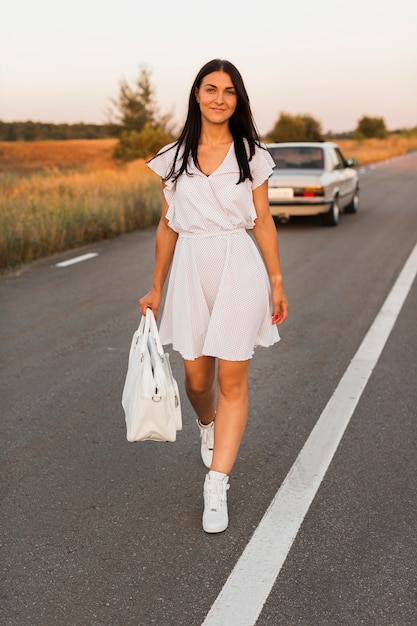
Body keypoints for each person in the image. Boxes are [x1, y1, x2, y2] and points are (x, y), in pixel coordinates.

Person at [139, 59, 288, 533]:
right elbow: (167, 227)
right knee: (198, 381)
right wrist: (156, 286)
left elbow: (262, 220)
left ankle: (216, 484)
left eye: (228, 90)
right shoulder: (174, 156)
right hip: (189, 268)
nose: (219, 97)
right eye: (210, 89)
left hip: (239, 267)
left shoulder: (252, 154)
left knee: (233, 381)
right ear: (197, 95)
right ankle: (207, 425)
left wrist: (278, 281)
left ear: (238, 99)